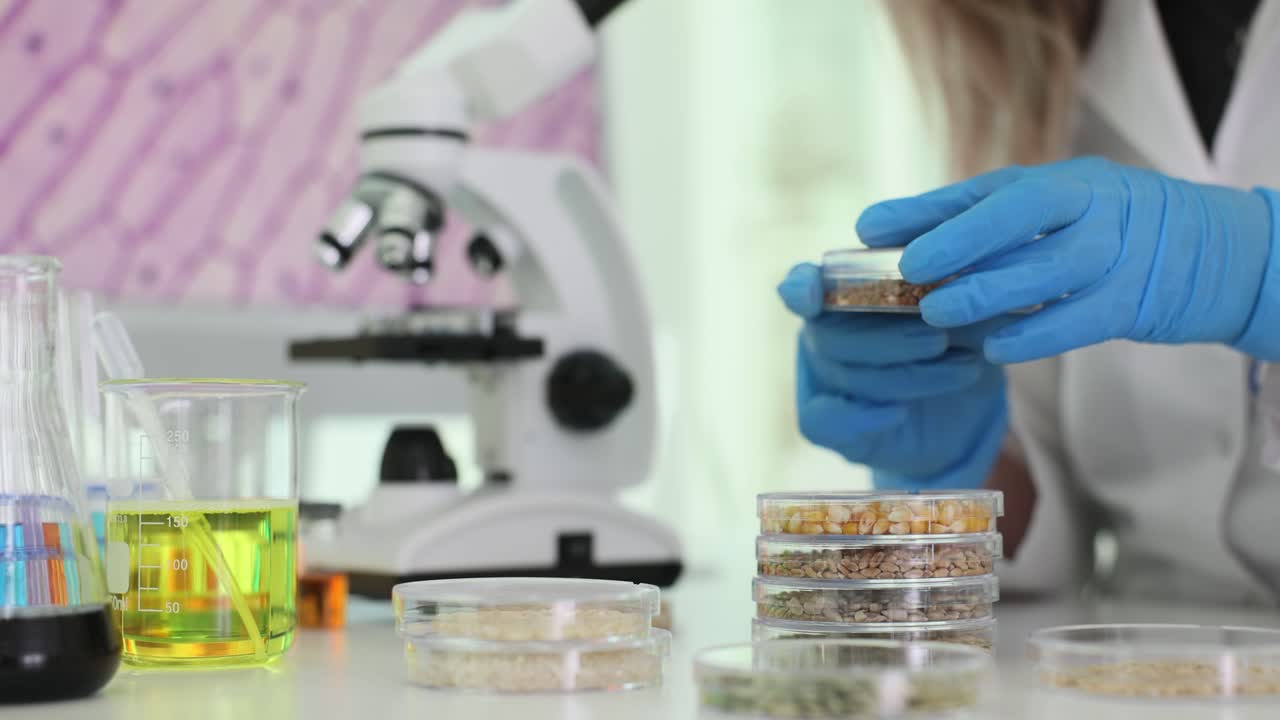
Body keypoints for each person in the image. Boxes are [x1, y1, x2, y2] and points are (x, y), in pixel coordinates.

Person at [777, 0, 1280, 605]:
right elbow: (1048, 536)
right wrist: (961, 469)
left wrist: (1256, 271)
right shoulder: (1042, 39)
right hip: (1136, 666)